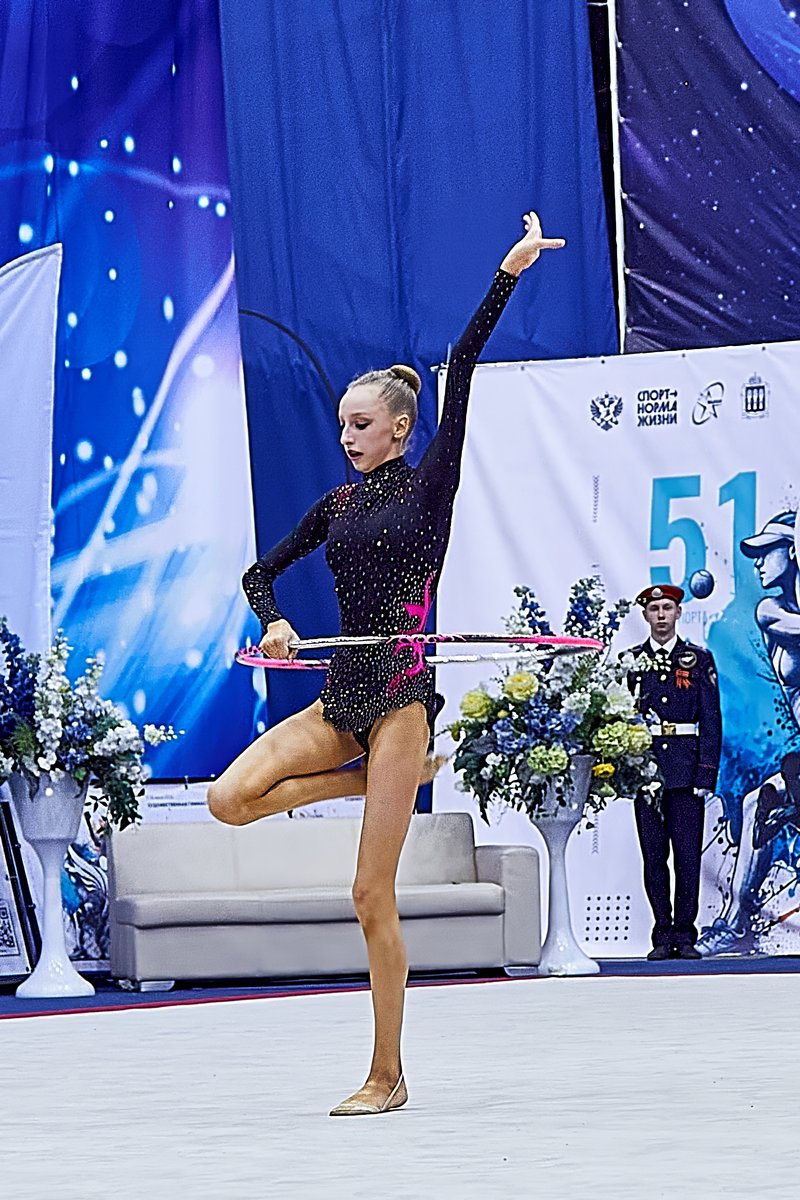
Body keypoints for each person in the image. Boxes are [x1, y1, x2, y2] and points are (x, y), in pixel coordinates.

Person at [207, 212, 565, 1115]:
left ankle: (387, 1074)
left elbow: (464, 360)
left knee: (370, 894)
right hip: (342, 693)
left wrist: (508, 272)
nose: (347, 436)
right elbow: (259, 574)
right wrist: (276, 623)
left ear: (402, 429)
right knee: (228, 800)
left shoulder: (432, 482)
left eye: (361, 424)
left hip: (402, 694)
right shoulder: (336, 504)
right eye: (342, 425)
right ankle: (367, 780)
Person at [698, 511, 800, 955]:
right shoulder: (771, 611)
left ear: (793, 551)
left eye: (767, 552)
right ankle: (735, 922)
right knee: (760, 802)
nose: (758, 563)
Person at [625, 584, 722, 960]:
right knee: (653, 857)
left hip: (685, 771)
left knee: (687, 856)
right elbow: (621, 717)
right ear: (645, 616)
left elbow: (711, 720)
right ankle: (662, 933)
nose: (661, 615)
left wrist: (705, 774)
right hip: (646, 771)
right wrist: (627, 772)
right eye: (655, 609)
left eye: (667, 608)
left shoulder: (697, 660)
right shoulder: (631, 661)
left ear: (679, 613)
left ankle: (685, 933)